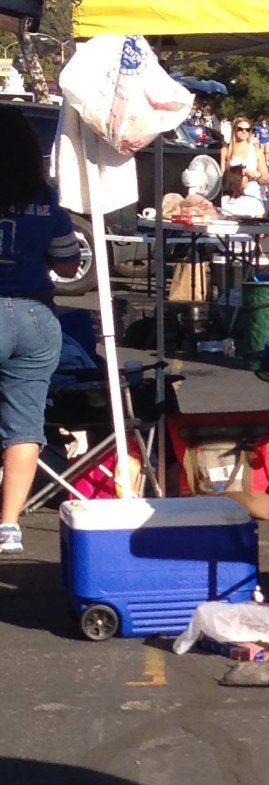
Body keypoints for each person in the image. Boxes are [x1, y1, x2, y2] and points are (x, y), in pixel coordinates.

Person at [0, 107, 80, 557]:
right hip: (33, 314)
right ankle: (8, 525)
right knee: (24, 424)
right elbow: (69, 265)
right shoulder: (47, 200)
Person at [220, 116, 269, 208]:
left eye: (247, 129)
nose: (244, 132)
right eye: (240, 129)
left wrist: (256, 175)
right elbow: (221, 176)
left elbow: (266, 178)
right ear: (234, 130)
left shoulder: (256, 151)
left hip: (252, 194)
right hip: (231, 195)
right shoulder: (226, 150)